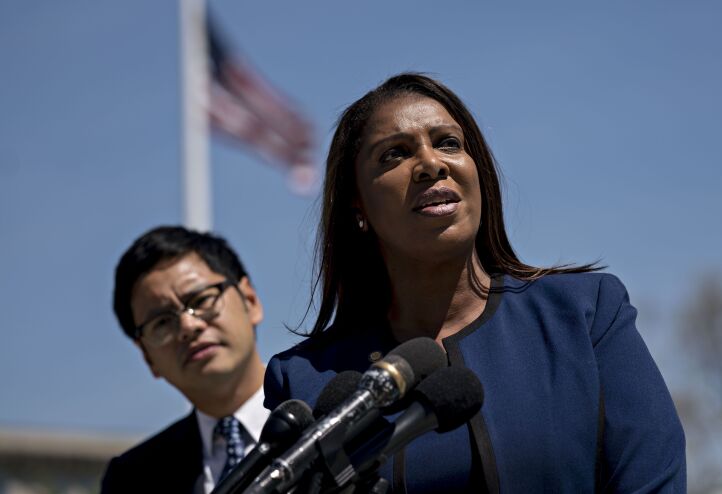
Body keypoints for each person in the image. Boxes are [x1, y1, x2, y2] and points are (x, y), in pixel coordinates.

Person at [263, 73, 686, 492]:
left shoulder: (586, 315)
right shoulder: (304, 380)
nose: (431, 164)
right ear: (358, 204)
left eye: (448, 142)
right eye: (394, 154)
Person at [101, 226, 270, 494]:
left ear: (249, 301)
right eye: (162, 322)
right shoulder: (132, 480)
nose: (188, 326)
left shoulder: (334, 414)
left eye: (201, 299)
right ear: (147, 356)